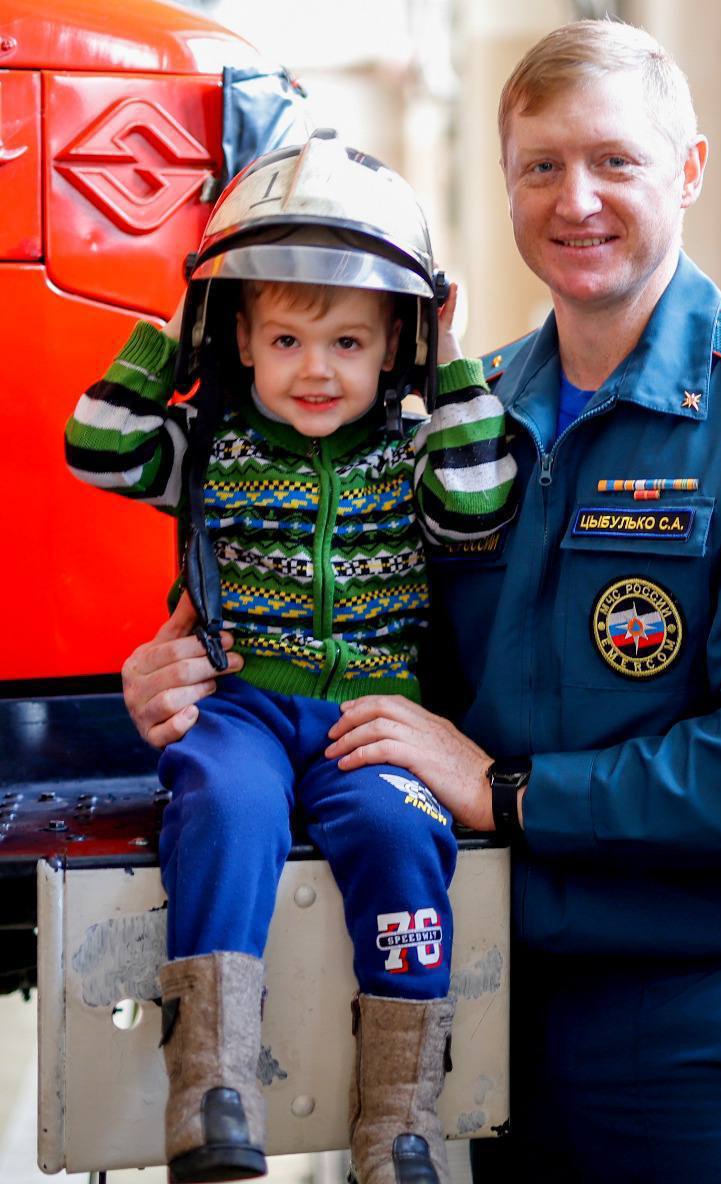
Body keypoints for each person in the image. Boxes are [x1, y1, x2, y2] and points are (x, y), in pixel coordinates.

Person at [122, 20, 721, 1181]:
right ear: (505, 183)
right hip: (485, 1004)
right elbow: (369, 647)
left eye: (614, 160)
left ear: (688, 169)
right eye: (541, 165)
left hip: (699, 1040)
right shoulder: (454, 425)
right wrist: (187, 676)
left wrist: (505, 790)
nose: (574, 199)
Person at [66, 133, 514, 1184]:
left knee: (400, 837)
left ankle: (397, 1120)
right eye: (285, 341)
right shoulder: (212, 450)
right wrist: (173, 335)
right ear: (239, 340)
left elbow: (478, 499)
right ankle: (211, 1089)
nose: (317, 369)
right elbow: (100, 444)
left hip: (373, 718)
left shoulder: (413, 456)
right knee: (223, 805)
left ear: (394, 346)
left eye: (350, 342)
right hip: (244, 706)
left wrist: (445, 346)